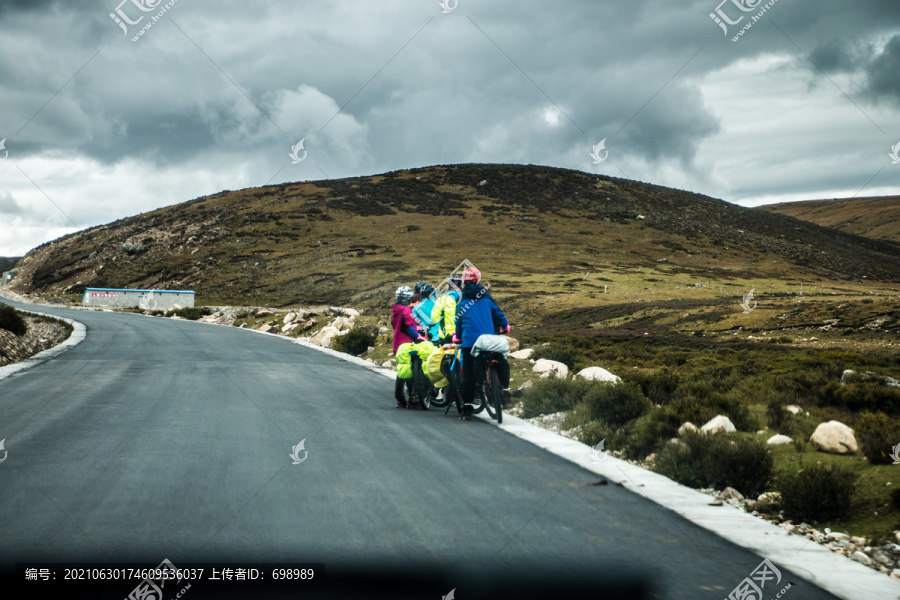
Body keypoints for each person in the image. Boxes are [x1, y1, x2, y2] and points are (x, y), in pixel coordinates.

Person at [454, 267, 511, 421]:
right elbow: (498, 314)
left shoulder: (461, 302)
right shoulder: (487, 297)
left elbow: (458, 324)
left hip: (470, 342)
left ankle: (466, 409)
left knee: (469, 375)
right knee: (501, 361)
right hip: (488, 339)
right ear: (479, 280)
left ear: (464, 282)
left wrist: (458, 337)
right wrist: (505, 326)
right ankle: (504, 393)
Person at [391, 285, 425, 408]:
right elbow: (409, 326)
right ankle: (413, 399)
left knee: (402, 370)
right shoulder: (406, 310)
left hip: (398, 343)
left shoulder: (395, 309)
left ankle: (400, 399)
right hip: (408, 343)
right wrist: (417, 336)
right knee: (414, 370)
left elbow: (395, 325)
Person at [431, 274, 462, 343]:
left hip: (446, 336)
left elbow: (434, 318)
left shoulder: (441, 299)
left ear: (448, 286)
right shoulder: (467, 300)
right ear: (461, 287)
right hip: (462, 336)